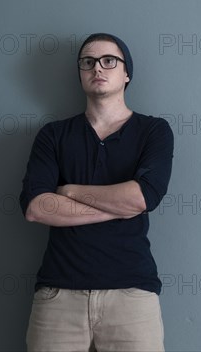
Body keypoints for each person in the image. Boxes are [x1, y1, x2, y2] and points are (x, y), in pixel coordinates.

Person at [20, 33, 173, 351]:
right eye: (87, 62)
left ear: (126, 72)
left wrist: (71, 190)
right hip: (58, 295)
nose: (97, 68)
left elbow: (142, 198)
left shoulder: (153, 131)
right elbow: (37, 207)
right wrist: (119, 205)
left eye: (109, 61)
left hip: (132, 295)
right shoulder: (54, 135)